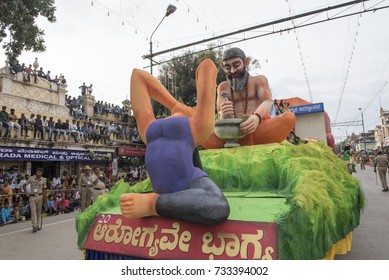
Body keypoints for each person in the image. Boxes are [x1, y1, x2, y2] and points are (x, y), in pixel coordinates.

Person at [120, 59, 230, 225]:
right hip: (186, 182)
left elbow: (138, 76)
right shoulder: (194, 126)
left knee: (217, 205)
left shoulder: (153, 130)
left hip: (186, 182)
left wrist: (175, 105)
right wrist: (177, 106)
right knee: (217, 205)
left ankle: (152, 203)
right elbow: (207, 67)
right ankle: (153, 203)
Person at [201, 47, 296, 148]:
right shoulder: (223, 87)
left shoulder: (259, 80)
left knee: (289, 117)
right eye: (227, 67)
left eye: (236, 65)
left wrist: (257, 117)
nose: (233, 71)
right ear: (222, 67)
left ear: (246, 62)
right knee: (200, 131)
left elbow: (267, 101)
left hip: (259, 128)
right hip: (231, 134)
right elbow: (220, 113)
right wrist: (223, 114)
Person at [24, 167, 46, 232]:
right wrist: (26, 193)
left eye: (39, 172)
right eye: (37, 172)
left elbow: (44, 190)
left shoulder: (44, 179)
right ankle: (34, 226)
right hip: (32, 197)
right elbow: (24, 185)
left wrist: (44, 199)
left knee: (38, 212)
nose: (37, 173)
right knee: (33, 212)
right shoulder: (31, 178)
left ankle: (38, 225)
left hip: (40, 196)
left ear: (41, 173)